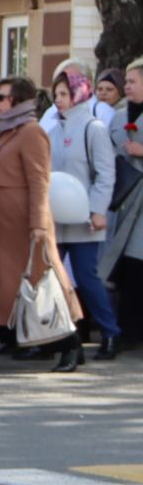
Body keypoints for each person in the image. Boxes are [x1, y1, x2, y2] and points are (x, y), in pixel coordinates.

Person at [0, 75, 81, 371]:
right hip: (0, 223)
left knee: (39, 286)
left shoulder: (30, 132)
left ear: (18, 100)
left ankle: (70, 346)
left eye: (1, 97)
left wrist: (38, 224)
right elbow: (3, 175)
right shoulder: (4, 132)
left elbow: (39, 181)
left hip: (24, 225)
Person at [48, 67, 119, 363]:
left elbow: (105, 173)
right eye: (56, 95)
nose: (59, 100)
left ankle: (110, 332)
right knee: (53, 278)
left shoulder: (94, 128)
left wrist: (97, 210)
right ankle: (58, 336)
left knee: (87, 278)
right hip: (56, 217)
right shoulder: (52, 130)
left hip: (86, 219)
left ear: (79, 93)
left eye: (64, 94)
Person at [96, 60, 143, 343]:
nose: (127, 86)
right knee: (120, 265)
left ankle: (133, 330)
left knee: (137, 262)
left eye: (133, 81)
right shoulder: (118, 115)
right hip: (122, 198)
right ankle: (122, 328)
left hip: (141, 204)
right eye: (126, 81)